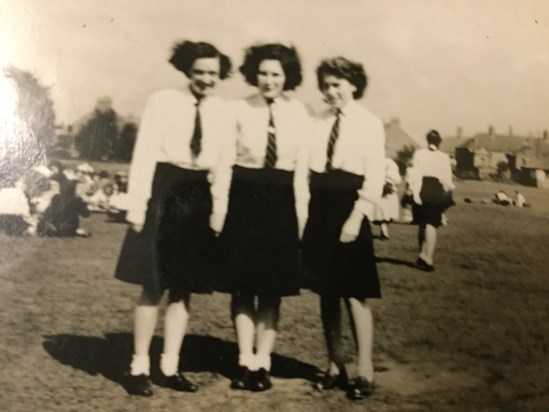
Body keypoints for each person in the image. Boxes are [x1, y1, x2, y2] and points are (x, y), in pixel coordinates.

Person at [114, 40, 234, 396]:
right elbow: (145, 153)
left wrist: (219, 210)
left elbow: (225, 164)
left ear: (220, 75)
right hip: (164, 192)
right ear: (187, 71)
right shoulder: (162, 101)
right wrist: (137, 206)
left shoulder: (224, 111)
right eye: (199, 72)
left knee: (183, 290)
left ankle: (170, 364)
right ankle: (138, 365)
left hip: (198, 196)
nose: (206, 79)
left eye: (213, 73)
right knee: (153, 284)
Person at [216, 43, 310, 392]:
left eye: (276, 74)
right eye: (264, 73)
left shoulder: (300, 113)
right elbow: (225, 161)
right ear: (254, 73)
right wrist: (220, 209)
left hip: (281, 201)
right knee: (242, 287)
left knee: (272, 289)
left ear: (288, 77)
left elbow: (301, 173)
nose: (269, 80)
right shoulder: (238, 108)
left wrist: (301, 216)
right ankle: (244, 359)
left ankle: (263, 362)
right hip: (244, 199)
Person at [302, 57, 385, 400]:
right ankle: (335, 364)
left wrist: (357, 216)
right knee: (327, 292)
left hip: (349, 209)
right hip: (320, 208)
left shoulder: (369, 123)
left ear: (353, 85)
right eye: (326, 85)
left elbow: (375, 176)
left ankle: (364, 368)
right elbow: (306, 170)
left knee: (355, 293)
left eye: (337, 84)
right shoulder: (316, 121)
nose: (331, 91)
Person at [407, 130, 455, 272]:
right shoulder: (444, 157)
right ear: (439, 141)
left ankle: (425, 257)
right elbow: (447, 177)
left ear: (428, 140)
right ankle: (426, 257)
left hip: (423, 187)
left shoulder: (419, 154)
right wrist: (447, 192)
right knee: (431, 223)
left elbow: (413, 173)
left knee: (424, 223)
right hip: (436, 189)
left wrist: (413, 190)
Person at [373, 157, 402, 239]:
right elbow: (397, 179)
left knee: (382, 211)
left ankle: (384, 232)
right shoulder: (392, 164)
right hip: (388, 189)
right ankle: (384, 232)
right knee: (385, 212)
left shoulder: (384, 163)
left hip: (384, 189)